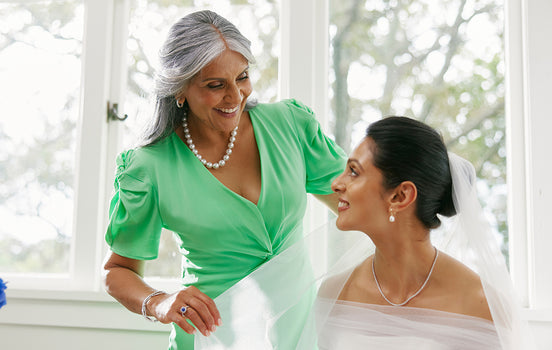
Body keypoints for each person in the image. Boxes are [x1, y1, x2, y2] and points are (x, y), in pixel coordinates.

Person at [102, 10, 346, 350]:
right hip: (211, 339)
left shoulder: (290, 125)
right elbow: (117, 271)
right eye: (215, 85)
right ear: (180, 89)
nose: (235, 96)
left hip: (299, 337)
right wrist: (158, 303)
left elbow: (361, 204)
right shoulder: (147, 167)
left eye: (242, 77)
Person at [309, 116, 533, 349]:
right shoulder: (334, 294)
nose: (336, 183)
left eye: (354, 172)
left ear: (400, 196)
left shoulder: (482, 306)